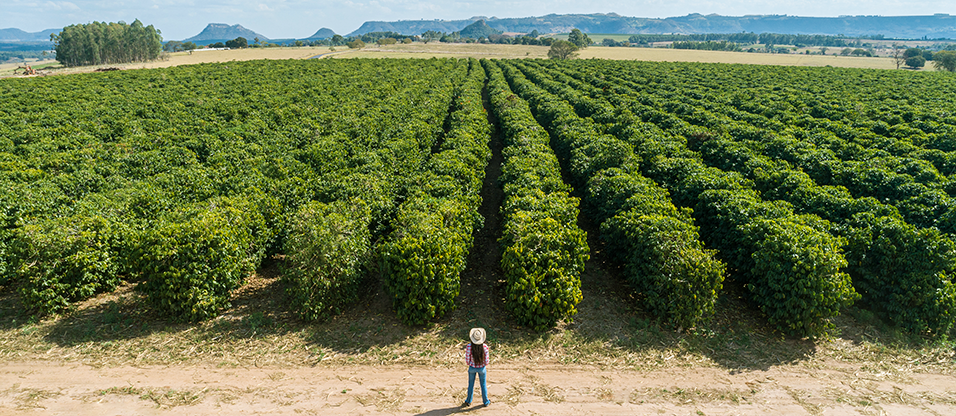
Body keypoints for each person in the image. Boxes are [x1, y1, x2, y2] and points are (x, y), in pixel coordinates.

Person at [462, 327, 491, 407]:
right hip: (482, 368)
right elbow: (487, 361)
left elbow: (467, 359)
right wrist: (483, 365)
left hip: (472, 368)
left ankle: (468, 401)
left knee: (470, 384)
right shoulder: (485, 347)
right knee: (483, 385)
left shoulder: (469, 347)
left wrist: (470, 364)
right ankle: (485, 401)